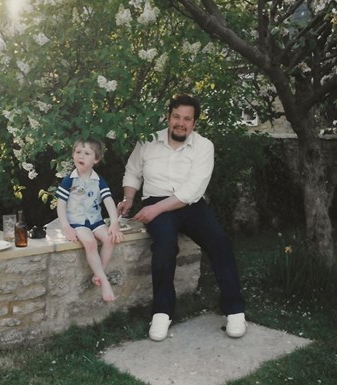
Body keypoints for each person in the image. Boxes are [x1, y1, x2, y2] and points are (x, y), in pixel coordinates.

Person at [117, 94, 247, 341]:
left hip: (189, 204)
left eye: (187, 119)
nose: (181, 122)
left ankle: (235, 310)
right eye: (176, 116)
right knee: (165, 245)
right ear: (168, 116)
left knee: (220, 241)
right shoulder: (148, 141)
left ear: (194, 123)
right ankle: (162, 313)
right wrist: (129, 199)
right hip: (155, 199)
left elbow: (191, 191)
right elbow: (133, 172)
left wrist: (155, 211)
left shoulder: (204, 146)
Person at [56, 138, 125, 302]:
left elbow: (108, 202)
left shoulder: (99, 181)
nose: (81, 156)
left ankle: (98, 274)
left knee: (109, 239)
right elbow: (60, 205)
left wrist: (114, 223)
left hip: (96, 221)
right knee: (90, 243)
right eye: (78, 152)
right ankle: (105, 281)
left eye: (87, 153)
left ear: (96, 159)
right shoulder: (69, 180)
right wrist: (66, 226)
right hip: (77, 223)